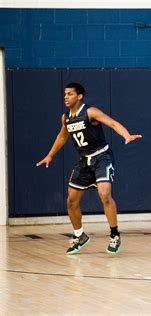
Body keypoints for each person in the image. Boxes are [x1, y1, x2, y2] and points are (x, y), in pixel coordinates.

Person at [37, 82, 142, 255]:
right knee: (71, 201)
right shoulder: (66, 118)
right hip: (83, 161)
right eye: (64, 94)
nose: (66, 97)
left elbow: (113, 123)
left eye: (70, 94)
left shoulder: (90, 112)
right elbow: (62, 137)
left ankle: (114, 235)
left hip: (101, 157)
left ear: (79, 97)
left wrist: (126, 135)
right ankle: (80, 236)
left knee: (104, 193)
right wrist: (50, 155)